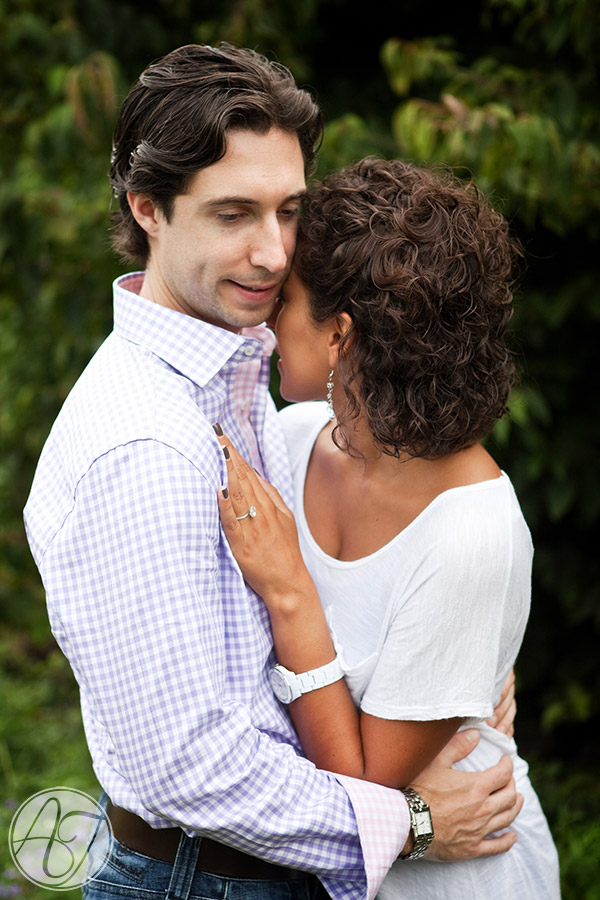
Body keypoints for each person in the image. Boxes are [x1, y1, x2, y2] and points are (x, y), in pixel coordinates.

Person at [24, 44, 522, 900]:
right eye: (232, 215)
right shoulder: (145, 448)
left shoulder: (245, 372)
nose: (272, 252)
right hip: (204, 879)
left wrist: (455, 680)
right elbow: (193, 766)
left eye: (288, 211)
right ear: (149, 207)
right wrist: (410, 821)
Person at [216, 158, 561, 897]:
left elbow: (362, 789)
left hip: (457, 873)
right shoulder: (295, 436)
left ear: (339, 335)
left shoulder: (472, 533)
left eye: (289, 303)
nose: (269, 320)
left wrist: (292, 594)